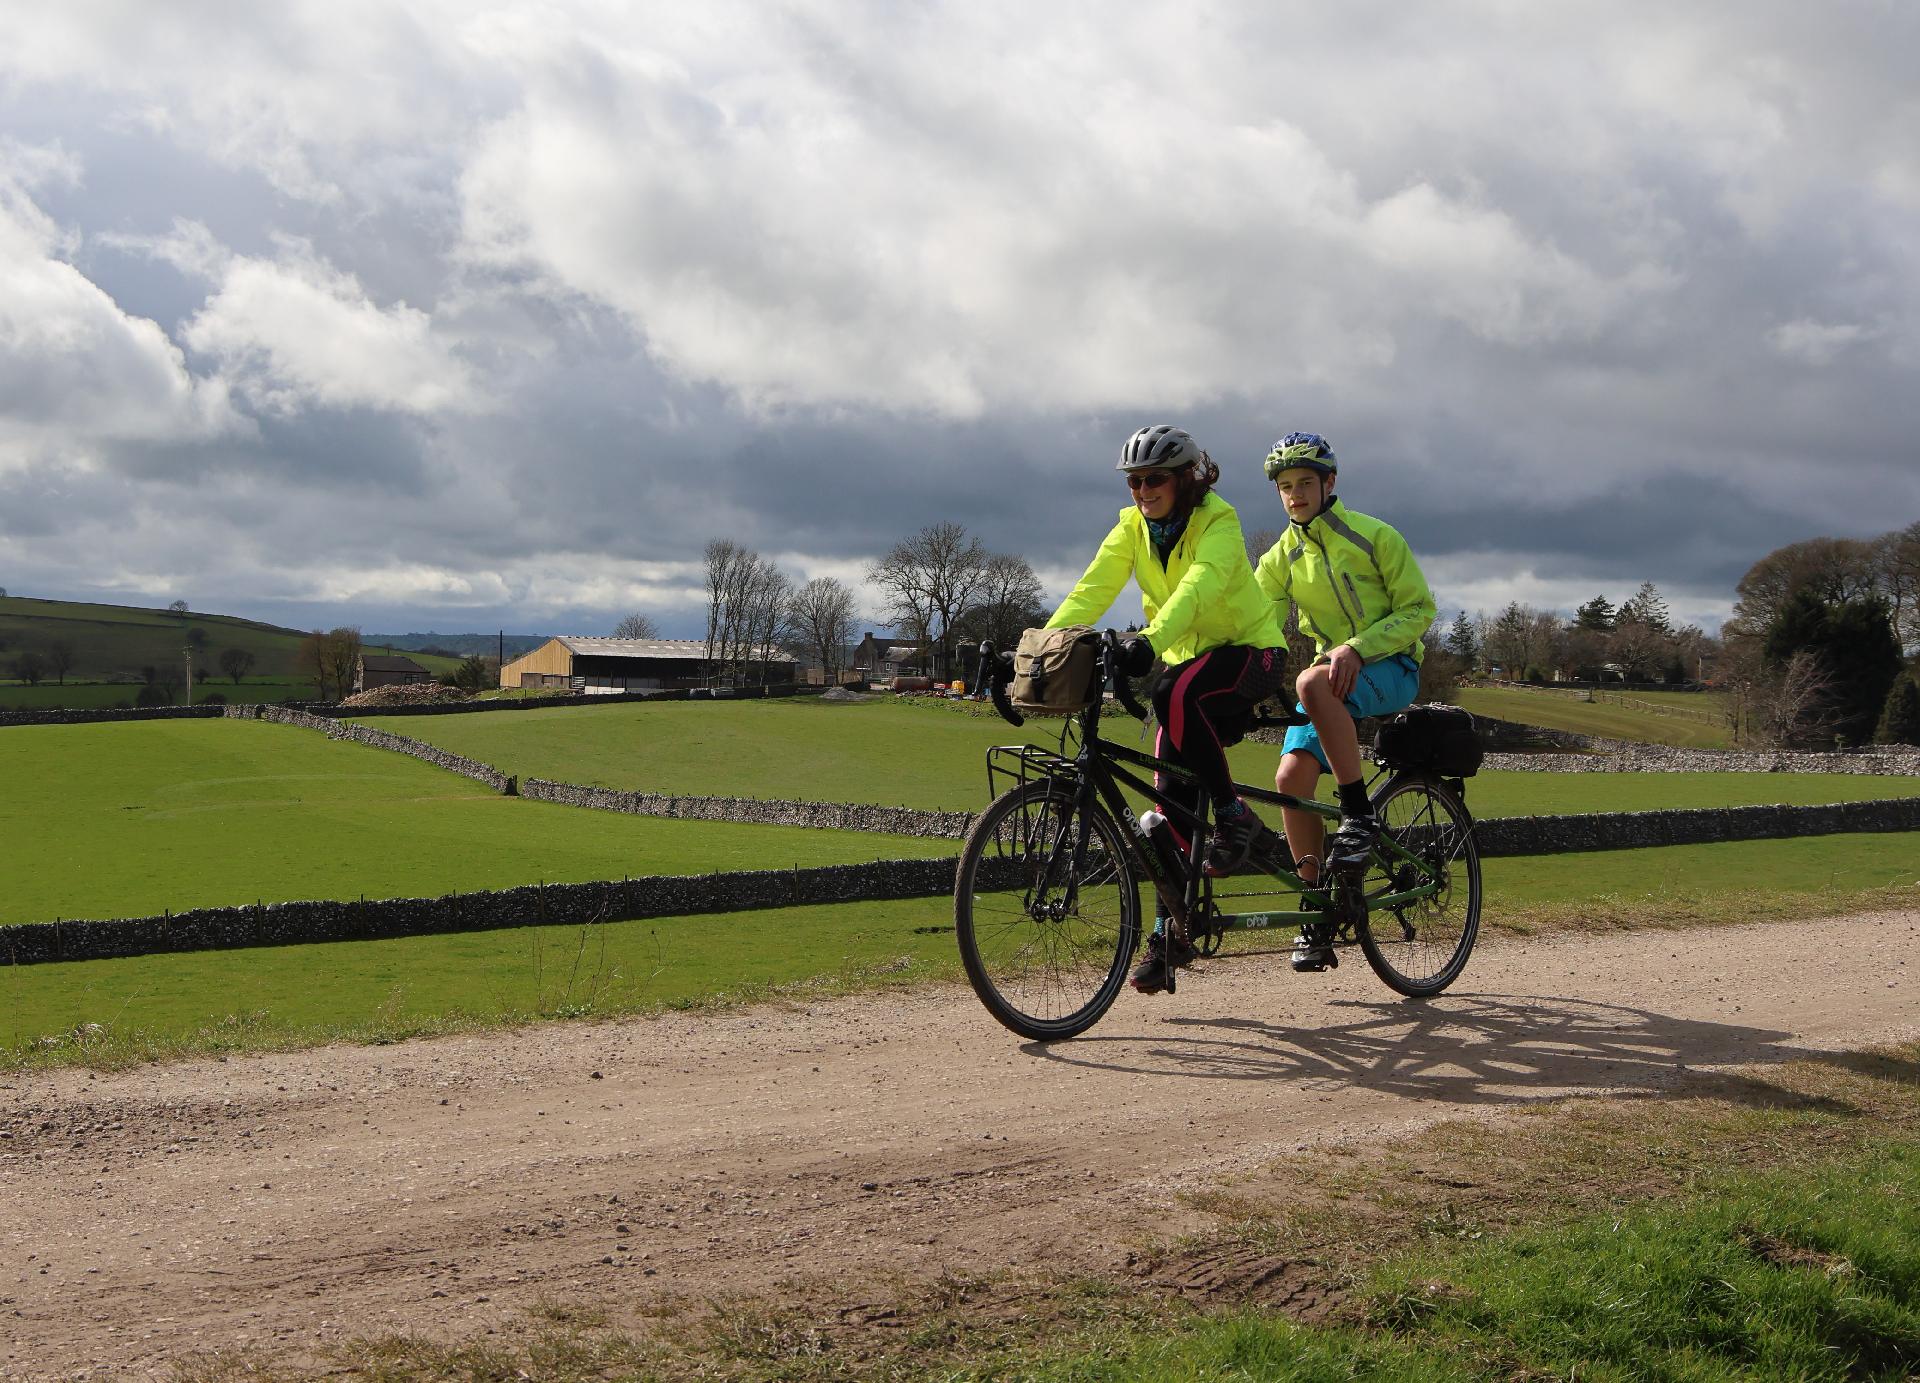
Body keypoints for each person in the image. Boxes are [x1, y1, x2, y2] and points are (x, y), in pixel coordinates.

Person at [1045, 424, 1290, 994]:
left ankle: (1234, 817)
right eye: (1134, 481)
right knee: (1164, 809)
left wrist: (1151, 640)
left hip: (1251, 653)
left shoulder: (1218, 521)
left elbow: (1199, 587)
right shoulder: (1131, 528)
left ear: (1184, 479)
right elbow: (1092, 590)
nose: (1142, 490)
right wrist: (1044, 647)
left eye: (1154, 478)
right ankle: (1167, 937)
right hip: (1188, 669)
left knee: (1172, 693)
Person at [1252, 432, 1436, 971]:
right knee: (1290, 780)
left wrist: (1357, 647)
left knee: (1311, 681)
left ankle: (1359, 815)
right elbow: (1255, 621)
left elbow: (1419, 610)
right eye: (1286, 487)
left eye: (1305, 483)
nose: (1295, 495)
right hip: (1331, 679)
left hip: (1393, 666)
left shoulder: (1375, 536)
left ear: (1329, 483)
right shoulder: (1281, 557)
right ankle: (1316, 912)